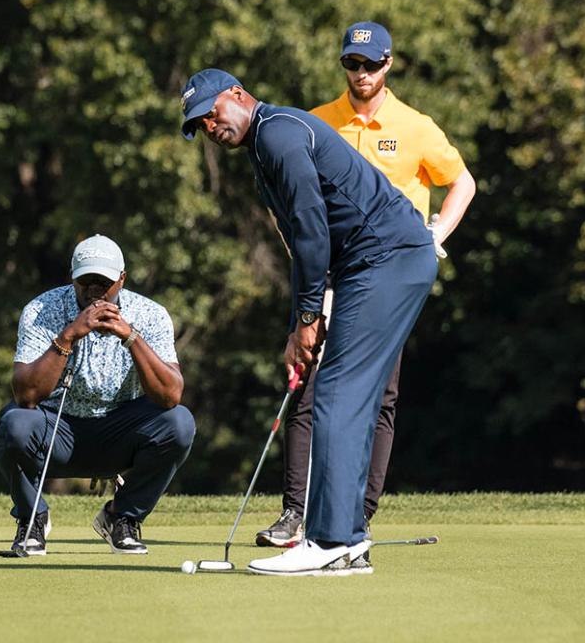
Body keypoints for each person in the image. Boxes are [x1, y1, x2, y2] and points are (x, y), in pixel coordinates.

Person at [180, 69, 437, 576]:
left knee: (338, 391)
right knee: (349, 394)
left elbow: (312, 230)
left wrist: (305, 318)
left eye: (211, 112)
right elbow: (303, 245)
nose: (210, 126)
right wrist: (304, 318)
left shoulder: (278, 133)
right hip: (380, 261)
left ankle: (329, 539)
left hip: (387, 256)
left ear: (237, 94)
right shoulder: (263, 148)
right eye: (200, 125)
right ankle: (350, 540)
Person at [255, 21, 476, 549]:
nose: (361, 74)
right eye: (352, 64)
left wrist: (435, 236)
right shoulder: (315, 121)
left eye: (371, 64)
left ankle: (357, 512)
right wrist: (310, 268)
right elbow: (293, 210)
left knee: (378, 395)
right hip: (329, 272)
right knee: (306, 387)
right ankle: (295, 512)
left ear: (388, 64)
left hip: (383, 274)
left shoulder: (416, 126)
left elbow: (462, 181)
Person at [0, 234, 195, 555]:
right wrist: (69, 335)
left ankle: (122, 517)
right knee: (13, 424)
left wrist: (131, 336)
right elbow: (26, 395)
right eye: (85, 281)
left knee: (179, 423)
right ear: (72, 278)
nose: (94, 290)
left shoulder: (151, 314)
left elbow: (170, 395)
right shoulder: (41, 310)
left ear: (122, 279)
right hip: (57, 430)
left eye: (104, 282)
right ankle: (33, 519)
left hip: (120, 431)